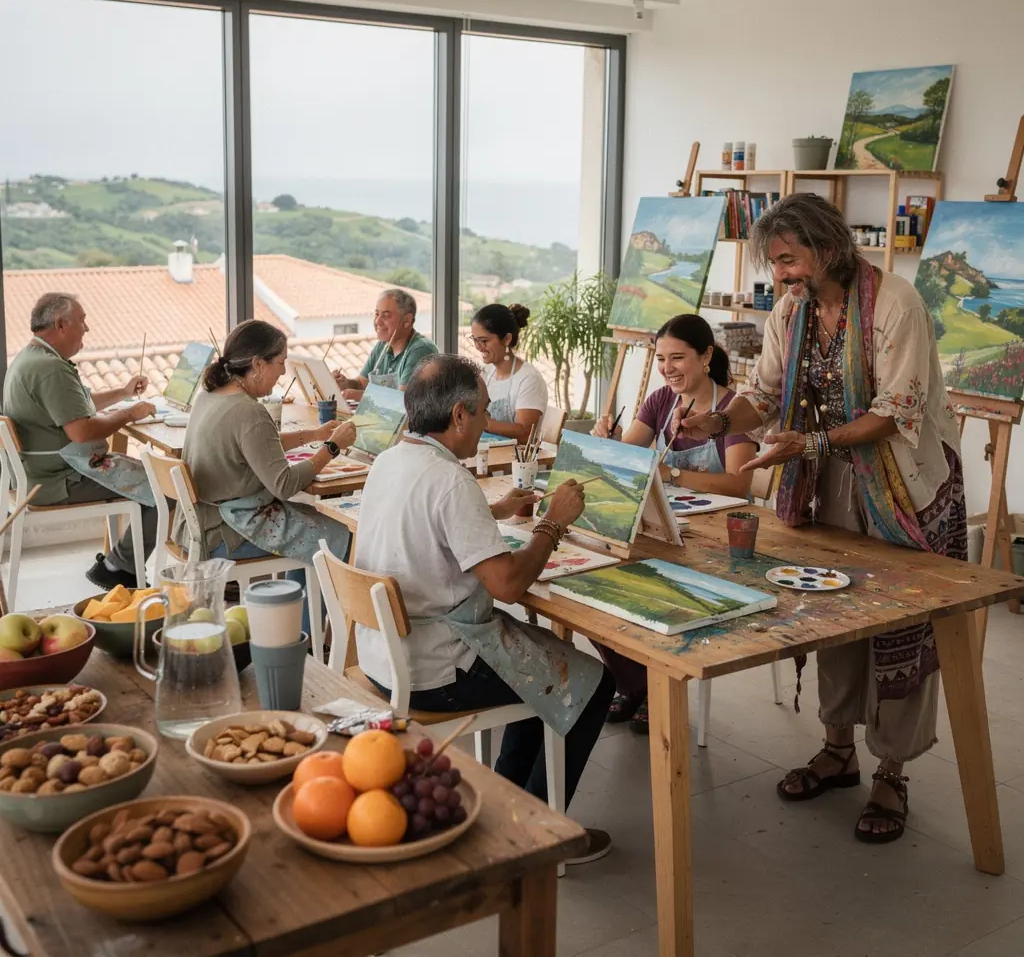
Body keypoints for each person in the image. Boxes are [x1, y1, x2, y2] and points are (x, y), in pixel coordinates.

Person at [680, 193, 967, 844]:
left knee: (901, 624)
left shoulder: (896, 304)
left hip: (906, 490)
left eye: (788, 259)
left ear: (828, 246)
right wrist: (720, 421)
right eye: (774, 263)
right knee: (833, 611)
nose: (780, 274)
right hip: (833, 484)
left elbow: (895, 412)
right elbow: (764, 393)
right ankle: (838, 749)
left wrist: (808, 444)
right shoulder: (792, 310)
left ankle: (892, 771)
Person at [355, 353, 615, 862]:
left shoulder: (392, 458)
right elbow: (509, 585)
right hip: (436, 668)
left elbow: (430, 525)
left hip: (384, 656)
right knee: (595, 683)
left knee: (532, 668)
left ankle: (510, 802)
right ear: (458, 416)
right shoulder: (449, 480)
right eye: (482, 412)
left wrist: (493, 509)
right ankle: (541, 832)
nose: (487, 423)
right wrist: (553, 523)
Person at [591, 313, 756, 732]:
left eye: (677, 358)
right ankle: (637, 681)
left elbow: (738, 485)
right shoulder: (661, 400)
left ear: (706, 357)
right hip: (669, 529)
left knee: (643, 585)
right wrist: (608, 442)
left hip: (720, 538)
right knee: (593, 577)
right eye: (661, 358)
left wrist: (672, 475)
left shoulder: (733, 410)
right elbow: (632, 459)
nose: (667, 369)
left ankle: (653, 686)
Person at [175, 320, 356, 623]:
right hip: (228, 530)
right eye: (281, 363)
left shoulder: (211, 395)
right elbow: (284, 484)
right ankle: (308, 636)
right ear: (258, 364)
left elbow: (258, 444)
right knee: (338, 538)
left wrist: (313, 435)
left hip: (200, 524)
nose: (283, 372)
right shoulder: (250, 412)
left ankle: (298, 624)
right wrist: (333, 448)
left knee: (312, 527)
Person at [2, 292, 160, 590]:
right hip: (59, 478)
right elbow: (82, 431)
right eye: (82, 320)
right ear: (61, 324)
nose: (86, 328)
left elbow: (78, 405)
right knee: (165, 490)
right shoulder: (50, 368)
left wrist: (123, 392)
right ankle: (119, 568)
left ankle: (119, 565)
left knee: (149, 481)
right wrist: (129, 413)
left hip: (39, 473)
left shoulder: (32, 358)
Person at [333, 289, 437, 399]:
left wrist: (353, 394)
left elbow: (402, 400)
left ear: (407, 320)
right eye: (377, 314)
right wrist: (345, 383)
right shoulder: (382, 346)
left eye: (386, 316)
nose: (377, 321)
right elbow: (362, 384)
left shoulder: (421, 350)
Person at [469, 303, 548, 445]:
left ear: (507, 339)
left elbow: (525, 434)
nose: (478, 347)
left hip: (514, 461)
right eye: (475, 340)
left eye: (484, 341)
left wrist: (480, 422)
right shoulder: (486, 373)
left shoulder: (529, 379)